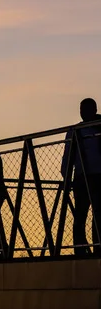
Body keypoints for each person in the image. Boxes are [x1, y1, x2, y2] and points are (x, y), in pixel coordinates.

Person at [61, 98, 101, 255]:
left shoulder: (77, 130)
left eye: (85, 109)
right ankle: (81, 247)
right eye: (81, 110)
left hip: (91, 176)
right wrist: (67, 178)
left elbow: (67, 158)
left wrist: (66, 177)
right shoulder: (75, 130)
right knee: (82, 214)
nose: (82, 113)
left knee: (93, 215)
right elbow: (67, 157)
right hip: (82, 177)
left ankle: (94, 246)